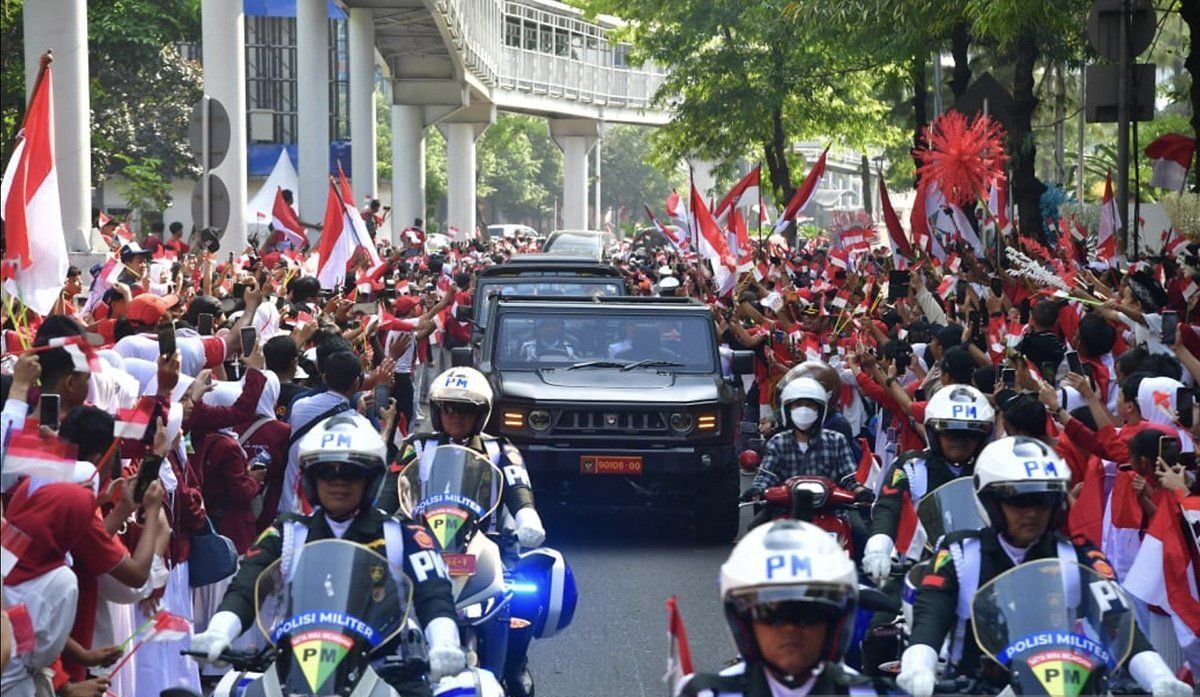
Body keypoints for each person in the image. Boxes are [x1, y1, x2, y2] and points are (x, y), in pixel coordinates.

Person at [188, 413, 466, 691]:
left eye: (351, 472)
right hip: (295, 672)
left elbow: (434, 593)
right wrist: (219, 631)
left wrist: (444, 643)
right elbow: (247, 586)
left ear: (371, 478)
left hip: (384, 670)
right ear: (311, 479)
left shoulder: (404, 536)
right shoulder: (287, 533)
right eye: (326, 472)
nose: (338, 482)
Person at [897, 436, 1190, 696]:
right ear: (990, 502)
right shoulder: (960, 553)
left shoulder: (1077, 555)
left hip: (1062, 688)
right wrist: (918, 666)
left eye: (1044, 500)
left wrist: (1158, 676)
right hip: (977, 687)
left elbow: (1117, 621)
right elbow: (931, 615)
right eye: (1019, 501)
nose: (1033, 512)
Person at [378, 367, 545, 696]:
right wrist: (376, 520)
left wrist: (527, 515)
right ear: (437, 412)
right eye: (448, 408)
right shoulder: (417, 447)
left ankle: (514, 666)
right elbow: (389, 489)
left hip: (490, 546)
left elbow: (517, 484)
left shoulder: (501, 450)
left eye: (464, 409)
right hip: (424, 546)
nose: (455, 416)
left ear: (480, 415)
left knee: (525, 596)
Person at [677, 520, 895, 696]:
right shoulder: (705, 692)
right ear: (742, 621)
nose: (790, 628)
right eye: (770, 612)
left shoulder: (880, 692)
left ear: (837, 620)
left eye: (809, 613)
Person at [862, 383, 995, 585]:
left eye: (970, 433)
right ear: (933, 432)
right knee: (880, 605)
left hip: (980, 569)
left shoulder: (993, 471)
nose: (960, 440)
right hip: (918, 566)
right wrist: (878, 549)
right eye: (950, 432)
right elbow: (888, 507)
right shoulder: (912, 466)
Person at [741, 377, 860, 503]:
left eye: (810, 405)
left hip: (831, 509)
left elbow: (849, 478)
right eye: (798, 405)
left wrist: (861, 491)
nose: (804, 410)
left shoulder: (836, 441)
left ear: (820, 411)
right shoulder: (777, 442)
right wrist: (757, 491)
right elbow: (766, 476)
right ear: (788, 411)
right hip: (785, 509)